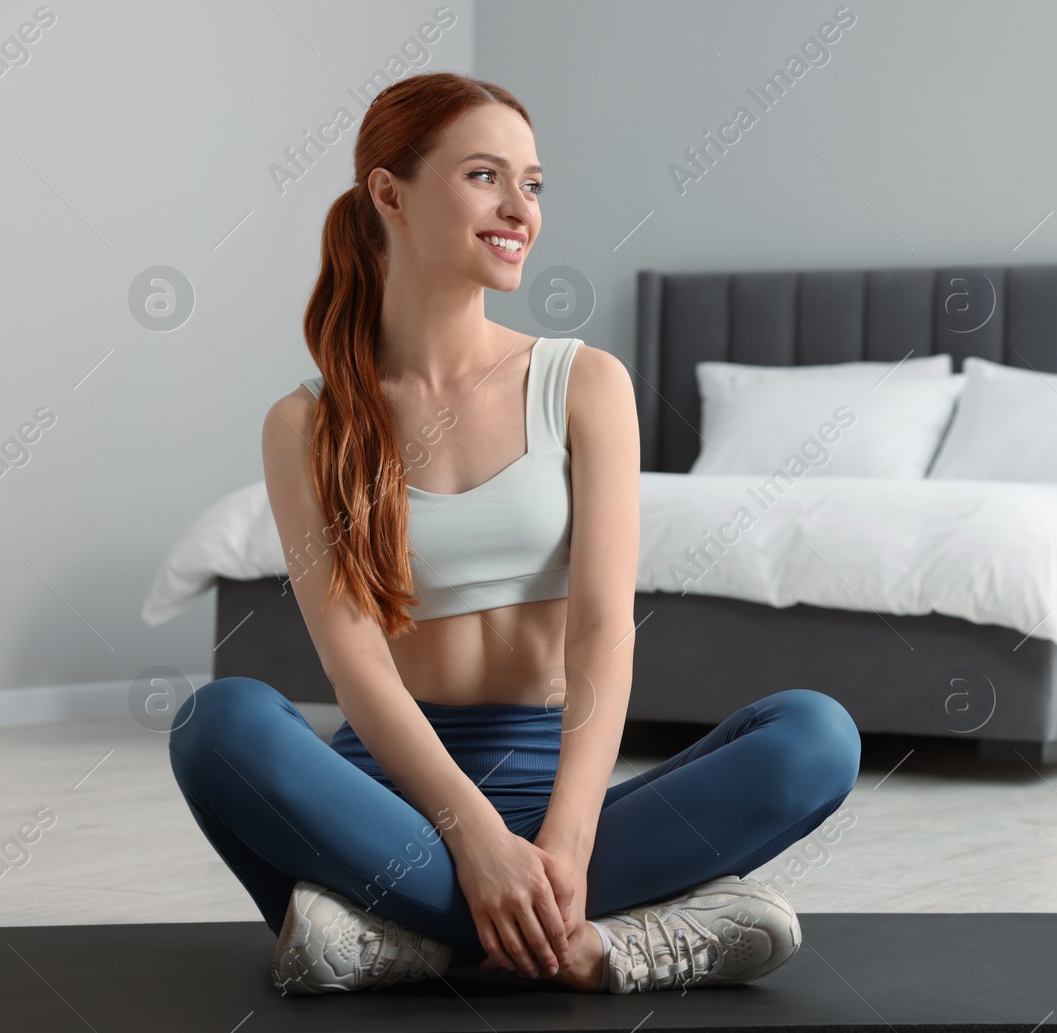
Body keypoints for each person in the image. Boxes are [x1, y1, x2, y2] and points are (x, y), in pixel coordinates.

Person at [166, 72, 861, 996]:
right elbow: (357, 664)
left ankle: (406, 940)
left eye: (532, 184)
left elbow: (603, 630)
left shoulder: (585, 383)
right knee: (217, 723)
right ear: (388, 194)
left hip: (558, 794)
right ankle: (606, 944)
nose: (519, 209)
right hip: (388, 806)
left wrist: (562, 841)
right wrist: (473, 839)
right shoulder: (305, 423)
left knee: (817, 735)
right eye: (486, 176)